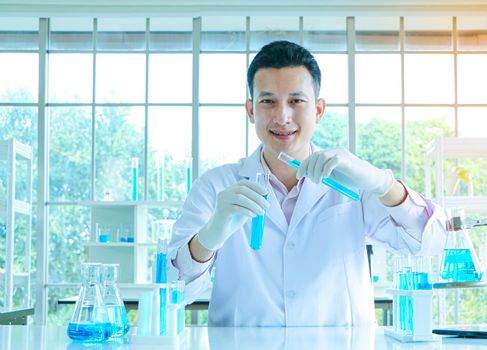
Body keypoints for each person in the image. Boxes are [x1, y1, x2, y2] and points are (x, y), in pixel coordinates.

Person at [167, 40, 446, 327]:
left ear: (319, 110)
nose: (282, 116)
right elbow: (174, 291)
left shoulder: (354, 181)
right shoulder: (215, 186)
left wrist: (382, 183)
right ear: (250, 110)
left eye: (296, 101)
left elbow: (433, 241)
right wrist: (208, 237)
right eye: (268, 101)